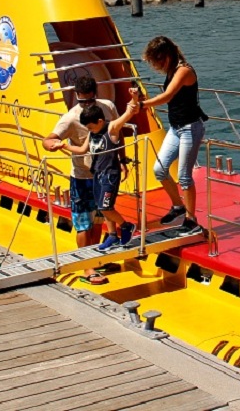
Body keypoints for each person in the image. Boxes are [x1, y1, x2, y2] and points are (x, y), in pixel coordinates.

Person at [41, 76, 119, 283]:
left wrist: (122, 161)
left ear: (96, 95)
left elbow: (116, 134)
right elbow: (48, 139)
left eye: (89, 101)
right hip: (82, 178)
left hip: (103, 177)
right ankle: (87, 268)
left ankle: (94, 259)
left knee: (98, 221)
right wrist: (53, 145)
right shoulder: (70, 118)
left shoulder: (108, 107)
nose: (86, 106)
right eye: (82, 101)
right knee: (83, 223)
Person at [58, 87, 141, 252]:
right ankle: (112, 235)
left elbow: (129, 113)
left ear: (100, 122)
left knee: (105, 207)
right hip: (96, 174)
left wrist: (135, 97)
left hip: (110, 175)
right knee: (102, 207)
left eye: (90, 127)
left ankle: (126, 226)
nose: (88, 131)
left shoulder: (112, 129)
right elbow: (82, 150)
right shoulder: (92, 134)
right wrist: (64, 146)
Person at [141, 36, 207, 236]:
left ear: (167, 57)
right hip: (176, 127)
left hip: (190, 128)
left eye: (157, 61)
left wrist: (143, 105)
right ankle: (178, 206)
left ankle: (191, 220)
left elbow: (168, 96)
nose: (155, 66)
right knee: (159, 169)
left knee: (184, 177)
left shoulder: (184, 70)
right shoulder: (171, 70)